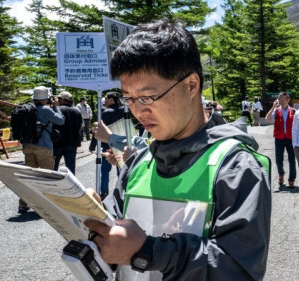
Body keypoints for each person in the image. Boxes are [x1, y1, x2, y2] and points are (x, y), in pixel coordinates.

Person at [84, 19, 271, 280]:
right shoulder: (138, 164)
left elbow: (240, 271)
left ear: (191, 85)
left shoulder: (236, 167)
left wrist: (149, 251)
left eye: (148, 97)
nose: (139, 111)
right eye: (129, 99)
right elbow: (114, 249)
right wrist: (95, 225)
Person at [18, 86, 65, 214]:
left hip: (28, 146)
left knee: (28, 176)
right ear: (45, 98)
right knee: (46, 176)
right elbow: (60, 121)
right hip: (44, 147)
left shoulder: (26, 109)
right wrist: (55, 106)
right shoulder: (45, 109)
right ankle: (48, 204)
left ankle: (23, 204)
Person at [89, 91, 126, 199]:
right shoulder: (125, 110)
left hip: (108, 145)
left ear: (111, 99)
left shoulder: (107, 112)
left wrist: (92, 146)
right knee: (122, 170)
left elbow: (99, 131)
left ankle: (104, 192)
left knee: (105, 171)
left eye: (106, 98)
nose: (104, 100)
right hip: (122, 144)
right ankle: (122, 191)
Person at [266, 91, 297, 187]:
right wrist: (273, 107)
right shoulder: (276, 110)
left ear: (288, 100)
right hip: (279, 138)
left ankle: (291, 179)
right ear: (278, 100)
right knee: (278, 160)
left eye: (285, 99)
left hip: (290, 138)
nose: (283, 101)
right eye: (281, 99)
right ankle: (281, 173)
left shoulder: (293, 111)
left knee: (292, 160)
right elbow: (267, 118)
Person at [53, 92, 83, 175]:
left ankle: (54, 186)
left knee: (54, 167)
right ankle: (72, 185)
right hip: (72, 143)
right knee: (70, 168)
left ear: (63, 99)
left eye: (59, 98)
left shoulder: (57, 110)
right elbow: (80, 126)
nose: (58, 100)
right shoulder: (77, 111)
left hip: (58, 143)